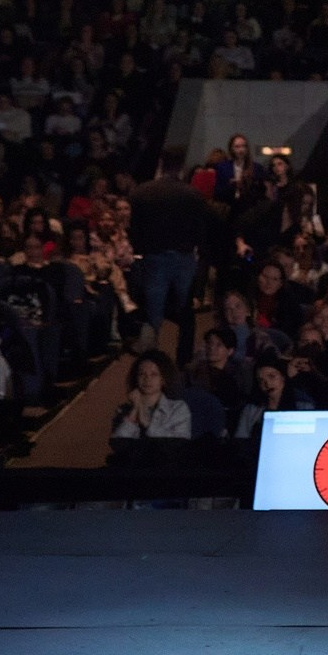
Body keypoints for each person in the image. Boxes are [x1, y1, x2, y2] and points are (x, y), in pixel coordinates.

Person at [129, 148, 217, 363]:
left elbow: (135, 229)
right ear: (182, 166)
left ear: (161, 163)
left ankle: (150, 359)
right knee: (185, 309)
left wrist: (141, 249)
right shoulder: (192, 195)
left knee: (153, 310)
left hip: (154, 257)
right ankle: (184, 358)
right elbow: (202, 228)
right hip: (183, 257)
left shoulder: (141, 192)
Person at [110, 351, 191, 439]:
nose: (147, 379)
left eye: (154, 374)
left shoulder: (178, 408)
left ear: (163, 379)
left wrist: (146, 423)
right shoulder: (123, 410)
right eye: (142, 374)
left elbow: (178, 444)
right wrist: (135, 409)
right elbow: (118, 443)